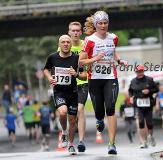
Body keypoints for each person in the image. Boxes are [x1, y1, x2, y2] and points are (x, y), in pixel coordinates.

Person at [79, 10, 127, 155]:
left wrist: (119, 60)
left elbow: (113, 52)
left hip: (110, 77)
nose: (103, 25)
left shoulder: (114, 38)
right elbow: (81, 61)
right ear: (95, 24)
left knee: (111, 108)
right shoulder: (89, 40)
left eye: (105, 23)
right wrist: (95, 58)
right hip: (94, 79)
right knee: (99, 110)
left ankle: (112, 144)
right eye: (100, 23)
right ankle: (99, 119)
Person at [43, 35, 87, 155]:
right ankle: (64, 132)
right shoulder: (52, 57)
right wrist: (49, 78)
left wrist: (76, 74)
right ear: (59, 44)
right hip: (59, 92)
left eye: (68, 42)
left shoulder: (77, 58)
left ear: (71, 44)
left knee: (72, 120)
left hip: (73, 92)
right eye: (63, 42)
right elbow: (46, 69)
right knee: (62, 112)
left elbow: (85, 75)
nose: (66, 44)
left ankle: (71, 145)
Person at [67, 21, 88, 152]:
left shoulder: (85, 45)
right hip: (69, 84)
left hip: (82, 82)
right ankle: (70, 140)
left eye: (77, 30)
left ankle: (81, 141)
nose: (75, 33)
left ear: (80, 32)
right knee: (71, 115)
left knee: (80, 109)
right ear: (69, 32)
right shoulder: (64, 45)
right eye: (73, 30)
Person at [128, 64, 158, 149]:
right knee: (141, 122)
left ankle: (150, 136)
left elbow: (156, 89)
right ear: (135, 72)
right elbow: (130, 91)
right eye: (138, 71)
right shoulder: (133, 81)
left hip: (148, 103)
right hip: (139, 104)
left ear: (143, 71)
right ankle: (144, 141)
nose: (139, 73)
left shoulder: (149, 79)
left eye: (141, 71)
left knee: (149, 123)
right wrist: (131, 97)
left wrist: (149, 91)